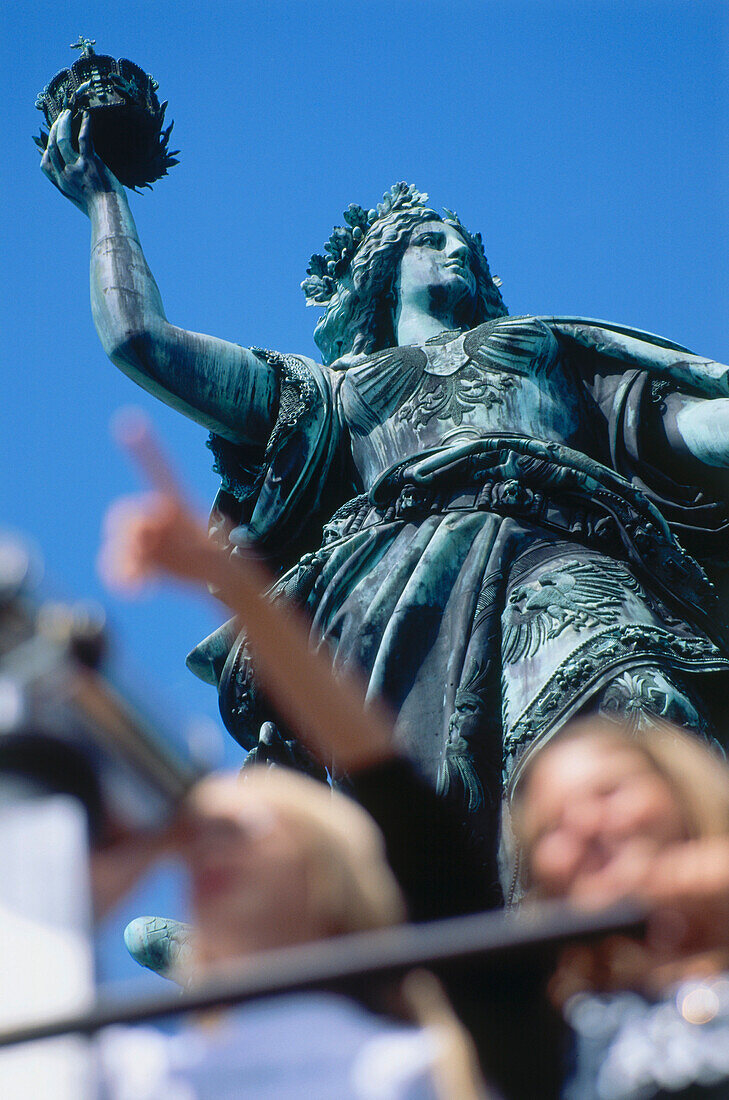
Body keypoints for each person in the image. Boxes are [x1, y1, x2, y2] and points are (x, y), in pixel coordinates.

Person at [41, 112, 729, 867]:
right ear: (379, 267)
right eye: (429, 239)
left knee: (642, 706)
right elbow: (141, 342)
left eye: (463, 241)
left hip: (562, 545)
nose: (458, 248)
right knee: (428, 823)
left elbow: (678, 428)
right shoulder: (327, 393)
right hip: (394, 595)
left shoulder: (544, 346)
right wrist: (105, 203)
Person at [510, 717, 729, 1099]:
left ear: (681, 793)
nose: (586, 825)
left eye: (609, 792)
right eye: (552, 826)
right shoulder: (543, 1028)